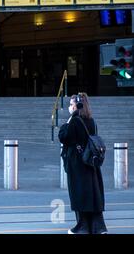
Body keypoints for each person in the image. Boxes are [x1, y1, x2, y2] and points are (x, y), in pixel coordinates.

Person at [58, 93, 107, 234]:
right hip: (91, 162)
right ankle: (98, 227)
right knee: (92, 193)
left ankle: (82, 226)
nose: (70, 106)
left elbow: (64, 137)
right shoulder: (91, 120)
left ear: (77, 105)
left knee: (79, 193)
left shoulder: (75, 121)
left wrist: (68, 121)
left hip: (78, 163)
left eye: (71, 104)